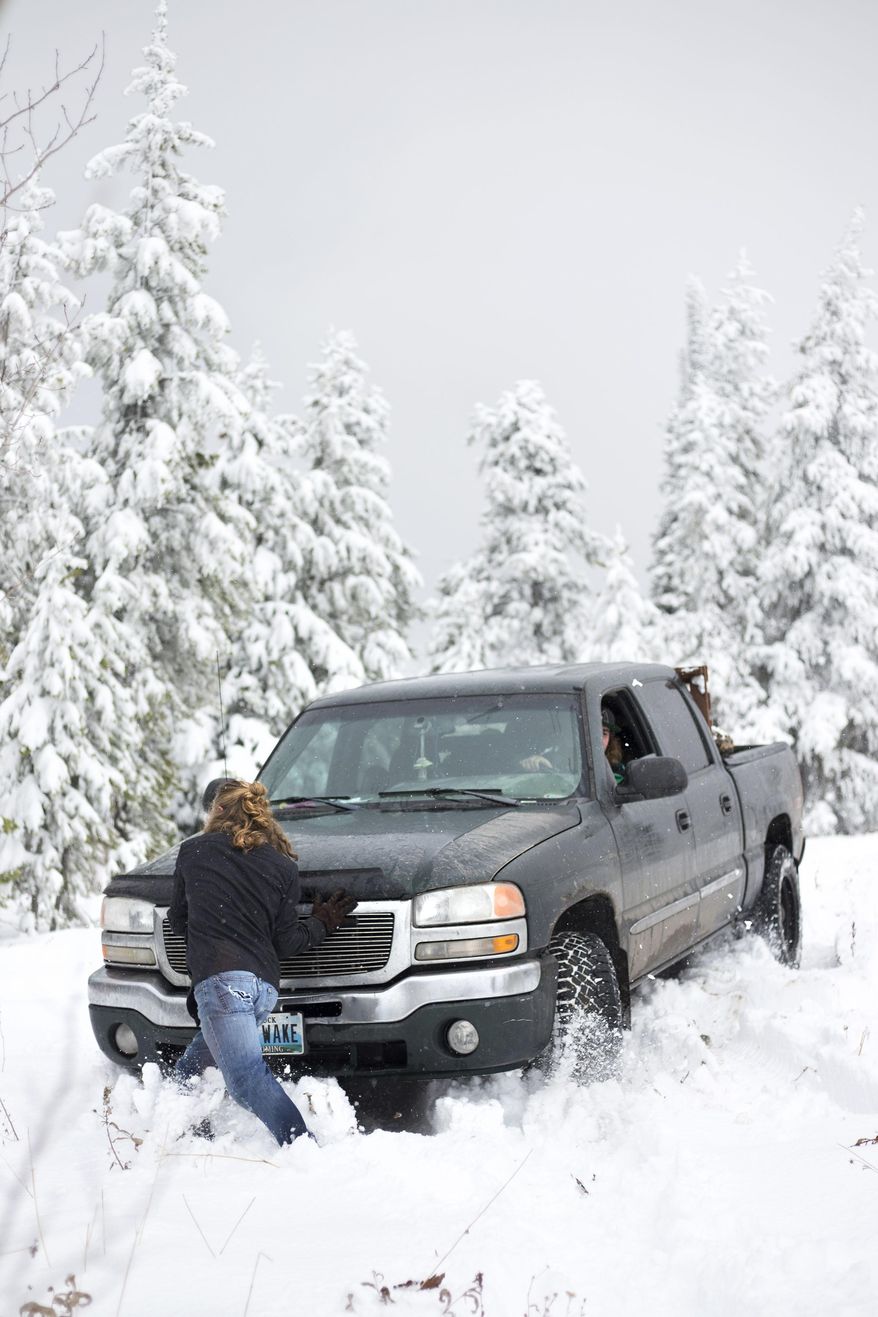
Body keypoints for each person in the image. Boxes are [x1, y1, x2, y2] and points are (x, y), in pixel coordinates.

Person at [169, 778, 356, 1145]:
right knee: (188, 1071)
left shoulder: (194, 852)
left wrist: (210, 912)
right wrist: (321, 922)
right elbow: (286, 941)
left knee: (245, 1080)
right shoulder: (281, 866)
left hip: (223, 986)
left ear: (218, 811)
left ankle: (303, 1145)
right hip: (262, 990)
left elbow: (178, 921)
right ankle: (188, 1139)